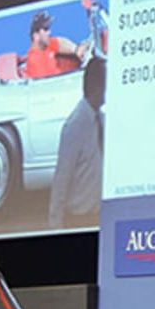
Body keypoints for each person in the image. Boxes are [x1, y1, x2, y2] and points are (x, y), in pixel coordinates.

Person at [49, 57, 106, 228]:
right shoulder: (75, 126)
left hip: (100, 217)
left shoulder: (102, 120)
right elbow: (61, 179)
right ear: (98, 86)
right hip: (78, 220)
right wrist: (55, 229)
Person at [24, 11, 88, 79]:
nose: (49, 32)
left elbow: (60, 42)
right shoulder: (36, 62)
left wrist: (76, 49)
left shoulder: (46, 45)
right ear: (36, 36)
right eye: (45, 29)